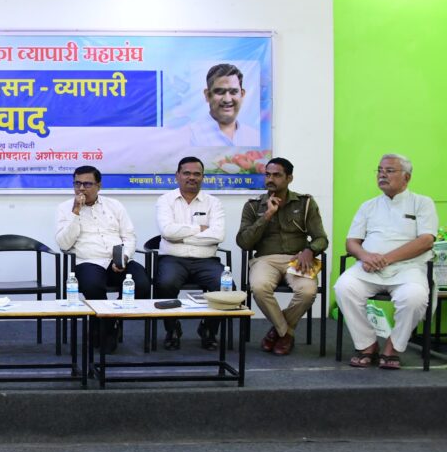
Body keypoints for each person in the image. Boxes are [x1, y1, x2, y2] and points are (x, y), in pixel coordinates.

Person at [334, 154, 436, 370]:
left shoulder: (422, 203)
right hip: (369, 268)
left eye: (389, 171)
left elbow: (426, 240)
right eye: (380, 170)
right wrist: (365, 256)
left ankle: (393, 346)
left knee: (414, 298)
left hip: (408, 269)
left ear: (406, 177)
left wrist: (386, 259)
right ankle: (367, 344)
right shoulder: (368, 206)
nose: (382, 174)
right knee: (344, 287)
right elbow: (351, 242)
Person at [236, 157, 328, 355]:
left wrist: (310, 250)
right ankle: (286, 333)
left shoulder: (305, 203)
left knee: (308, 292)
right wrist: (267, 215)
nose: (270, 179)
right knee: (259, 287)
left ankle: (277, 330)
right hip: (265, 260)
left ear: (289, 178)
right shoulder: (253, 206)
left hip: (297, 259)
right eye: (268, 175)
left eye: (277, 175)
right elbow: (243, 242)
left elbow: (321, 238)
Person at [56, 165, 150, 354]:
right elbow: (64, 244)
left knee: (142, 284)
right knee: (92, 286)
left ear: (99, 185)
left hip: (117, 259)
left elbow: (129, 236)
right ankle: (106, 330)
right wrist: (76, 212)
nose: (81, 188)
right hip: (88, 261)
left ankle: (111, 322)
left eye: (87, 184)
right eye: (77, 183)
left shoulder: (115, 205)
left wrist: (124, 257)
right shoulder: (65, 208)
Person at [154, 157, 227, 351]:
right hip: (172, 259)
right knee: (165, 284)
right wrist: (200, 229)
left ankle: (208, 329)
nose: (191, 177)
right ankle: (172, 328)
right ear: (177, 176)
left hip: (206, 260)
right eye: (187, 173)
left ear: (203, 177)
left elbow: (218, 235)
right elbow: (167, 231)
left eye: (197, 174)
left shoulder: (213, 203)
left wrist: (182, 238)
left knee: (225, 285)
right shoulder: (165, 200)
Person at [188, 63, 261, 147]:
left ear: (242, 95)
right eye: (220, 92)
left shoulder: (254, 137)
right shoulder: (192, 136)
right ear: (207, 95)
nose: (227, 99)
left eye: (233, 92)